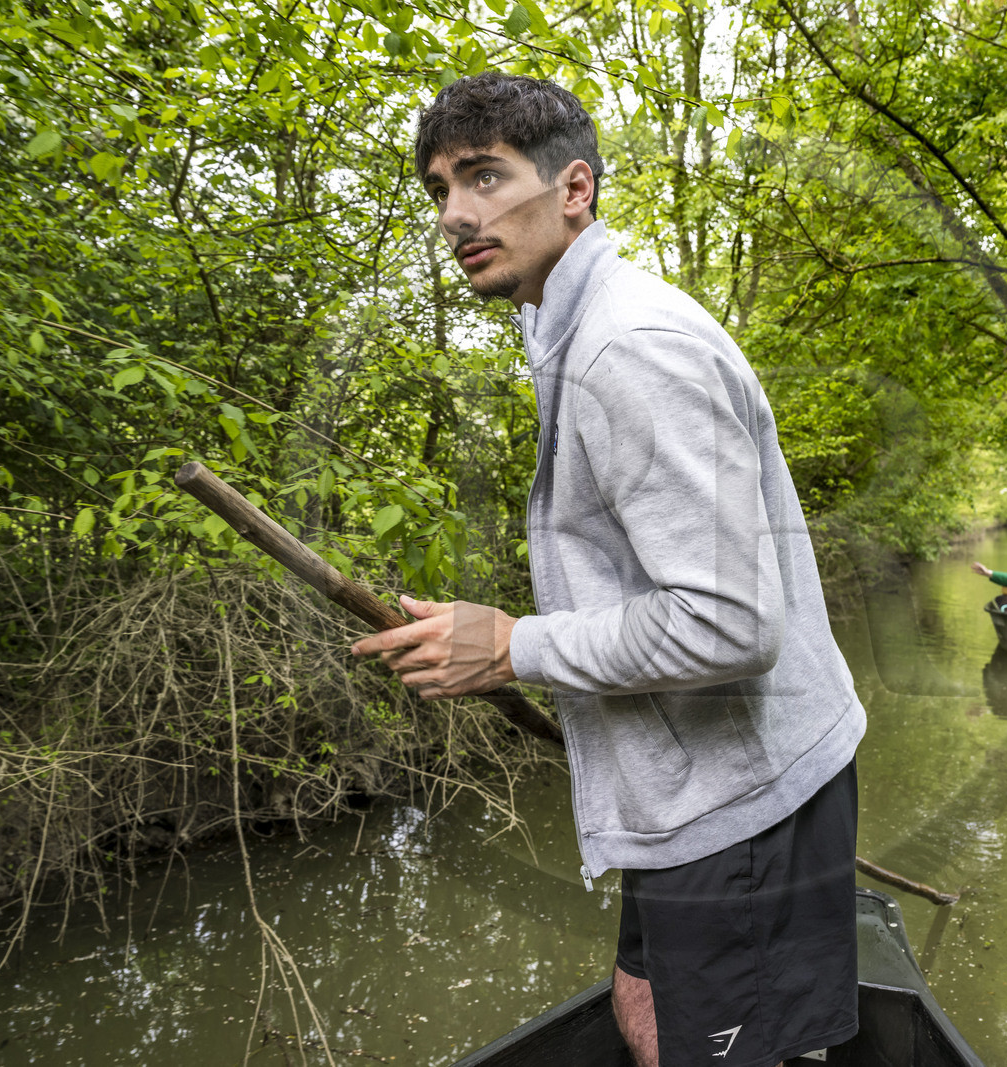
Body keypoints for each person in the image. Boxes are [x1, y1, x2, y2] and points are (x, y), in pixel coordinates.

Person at [351, 73, 865, 1067]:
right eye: (440, 191)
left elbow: (728, 623)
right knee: (640, 1000)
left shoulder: (627, 347)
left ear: (574, 189)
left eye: (484, 177)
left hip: (742, 797)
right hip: (685, 787)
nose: (456, 213)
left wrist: (512, 646)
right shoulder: (573, 335)